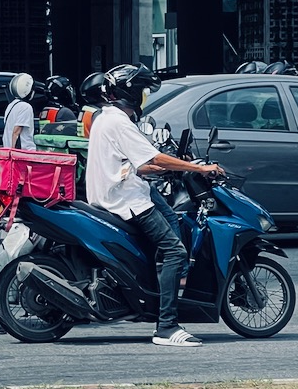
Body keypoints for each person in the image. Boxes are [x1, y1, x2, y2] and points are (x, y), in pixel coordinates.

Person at [85, 64, 223, 348]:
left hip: (121, 189)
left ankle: (161, 287)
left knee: (172, 218)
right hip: (125, 199)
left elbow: (140, 163)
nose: (145, 98)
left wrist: (168, 168)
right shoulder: (119, 122)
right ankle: (167, 326)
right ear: (132, 93)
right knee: (175, 251)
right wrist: (200, 169)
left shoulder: (104, 117)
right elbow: (157, 158)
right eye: (143, 92)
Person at [2, 73, 41, 151]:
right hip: (24, 153)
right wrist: (14, 152)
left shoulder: (11, 105)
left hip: (8, 150)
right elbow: (16, 132)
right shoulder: (25, 107)